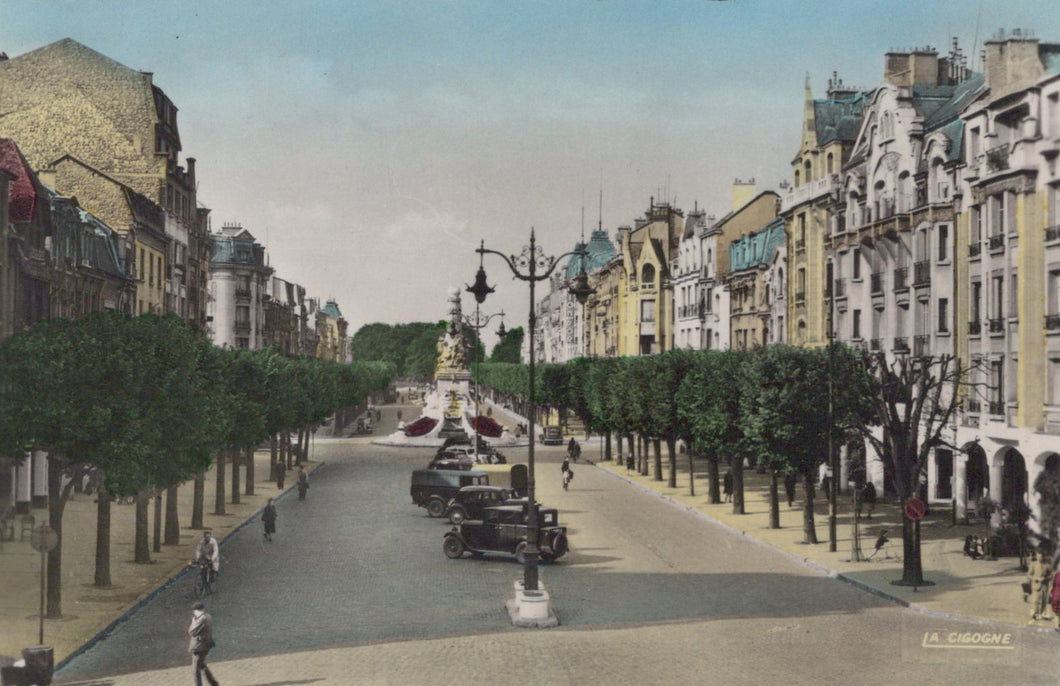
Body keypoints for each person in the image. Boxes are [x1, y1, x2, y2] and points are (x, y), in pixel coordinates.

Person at [188, 601, 219, 686]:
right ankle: (213, 682)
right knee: (202, 665)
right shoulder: (208, 616)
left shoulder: (201, 619)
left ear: (196, 610)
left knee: (195, 670)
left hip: (199, 647)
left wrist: (193, 621)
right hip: (205, 645)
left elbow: (191, 631)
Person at [1028, 549, 1053, 621]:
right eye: (1038, 555)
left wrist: (1045, 578)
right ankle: (1035, 614)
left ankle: (1043, 614)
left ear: (1043, 557)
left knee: (1044, 600)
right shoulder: (1033, 564)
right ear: (1036, 556)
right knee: (1035, 601)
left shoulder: (1047, 565)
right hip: (1036, 585)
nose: (1040, 557)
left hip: (1044, 586)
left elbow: (1051, 575)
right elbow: (1029, 575)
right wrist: (1036, 579)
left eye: (1041, 556)